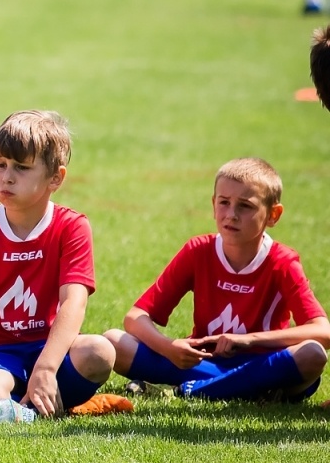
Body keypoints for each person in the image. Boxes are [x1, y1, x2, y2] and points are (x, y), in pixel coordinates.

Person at [103, 159, 329, 402]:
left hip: (263, 363)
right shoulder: (197, 251)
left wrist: (248, 340)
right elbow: (135, 317)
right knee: (114, 342)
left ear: (273, 215)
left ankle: (194, 390)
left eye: (245, 206)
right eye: (224, 203)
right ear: (213, 205)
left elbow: (322, 332)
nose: (231, 215)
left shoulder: (282, 262)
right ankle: (245, 390)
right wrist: (169, 347)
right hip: (203, 362)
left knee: (312, 355)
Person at [0, 110, 115, 417]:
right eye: (0, 165)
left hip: (51, 346)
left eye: (21, 168)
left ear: (56, 178)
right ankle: (32, 407)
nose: (7, 176)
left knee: (99, 352)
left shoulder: (72, 226)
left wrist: (47, 367)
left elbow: (73, 304)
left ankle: (23, 403)